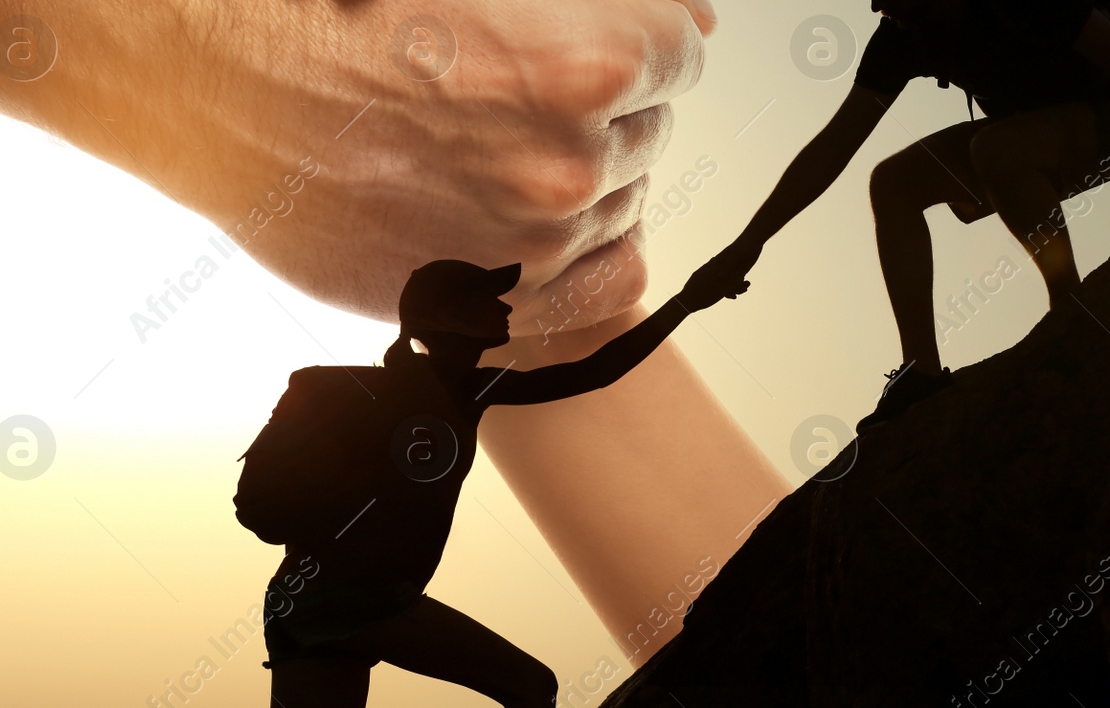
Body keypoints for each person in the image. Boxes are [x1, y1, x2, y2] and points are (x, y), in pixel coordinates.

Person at [0, 0, 787, 655]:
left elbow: (800, 659)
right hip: (320, 614)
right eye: (484, 308)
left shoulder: (450, 377)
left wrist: (226, 34)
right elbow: (815, 648)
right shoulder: (373, 389)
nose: (495, 317)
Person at [703, 0, 1110, 430]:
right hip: (1022, 136)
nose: (879, 3)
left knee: (994, 148)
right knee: (894, 182)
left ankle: (1071, 311)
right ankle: (921, 373)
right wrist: (750, 243)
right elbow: (834, 147)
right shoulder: (903, 34)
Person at [247, 256, 747, 707]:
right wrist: (685, 302)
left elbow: (593, 372)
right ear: (445, 317)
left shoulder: (461, 387)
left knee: (529, 687)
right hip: (354, 599)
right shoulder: (453, 388)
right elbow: (594, 372)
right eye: (484, 298)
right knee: (531, 687)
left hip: (297, 605)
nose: (503, 306)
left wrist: (686, 301)